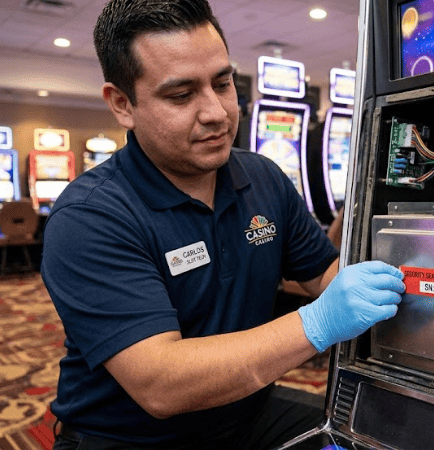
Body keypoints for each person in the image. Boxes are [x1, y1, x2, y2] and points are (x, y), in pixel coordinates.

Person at [41, 1, 405, 449]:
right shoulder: (90, 216)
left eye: (223, 83)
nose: (216, 112)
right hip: (129, 437)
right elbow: (161, 382)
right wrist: (317, 324)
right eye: (181, 95)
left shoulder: (264, 178)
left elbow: (327, 278)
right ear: (122, 104)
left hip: (246, 413)